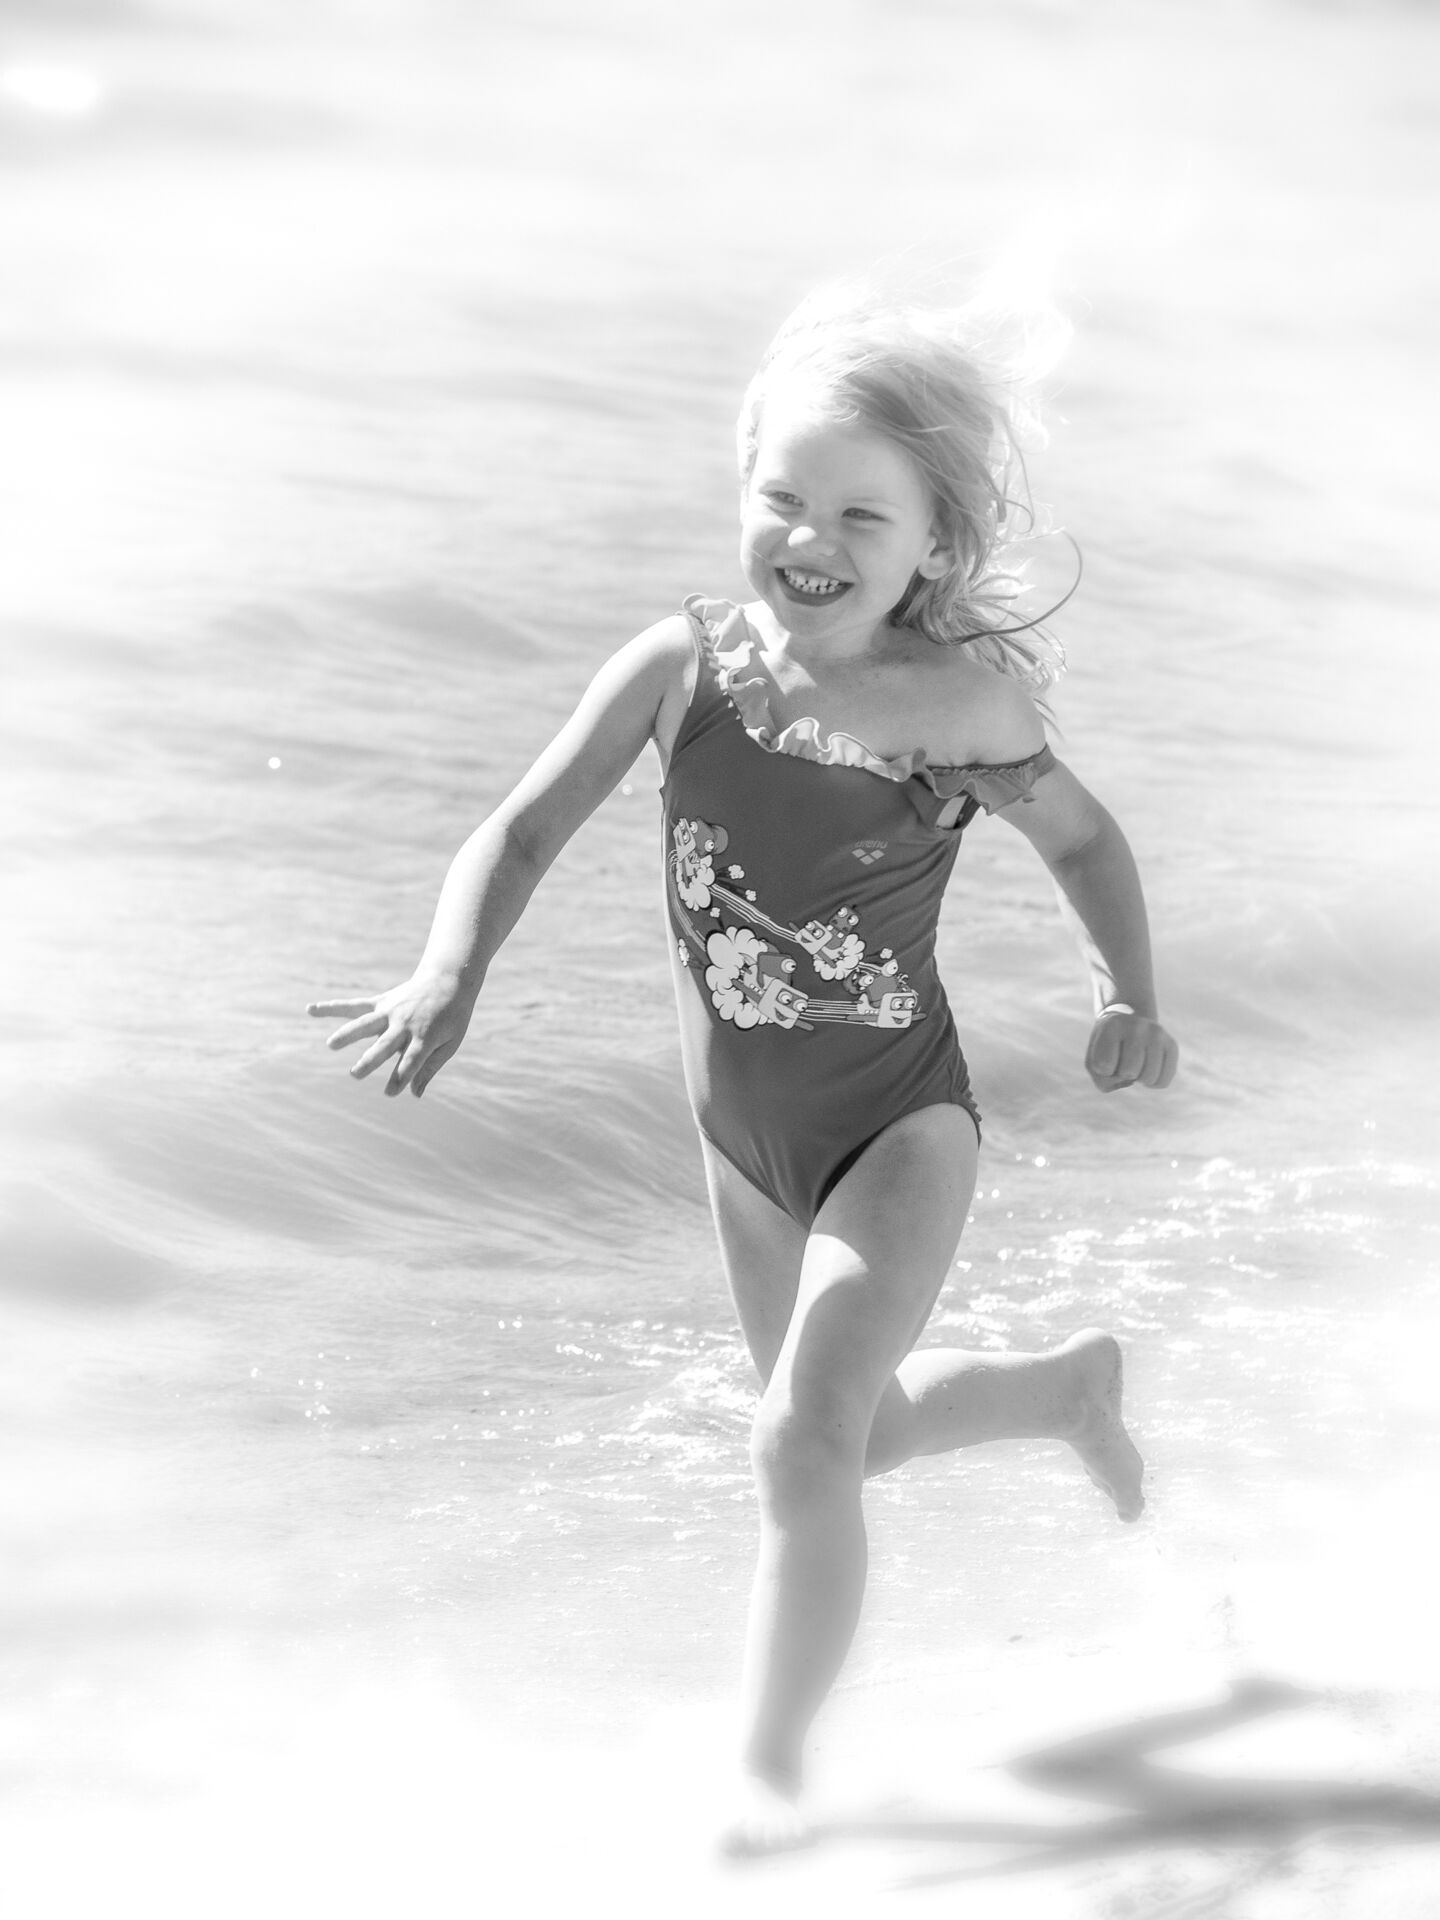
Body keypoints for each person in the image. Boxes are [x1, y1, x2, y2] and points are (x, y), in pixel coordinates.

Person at [309, 285, 1179, 1857]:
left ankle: (771, 1781)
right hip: (740, 1142)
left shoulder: (956, 708)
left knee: (797, 1442)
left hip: (899, 1125)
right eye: (782, 496)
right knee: (849, 1436)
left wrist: (1126, 987)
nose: (810, 537)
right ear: (741, 489)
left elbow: (1084, 840)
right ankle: (1062, 1390)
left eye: (860, 514)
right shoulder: (680, 667)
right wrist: (450, 970)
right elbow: (522, 830)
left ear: (931, 547)